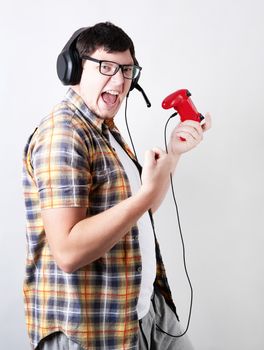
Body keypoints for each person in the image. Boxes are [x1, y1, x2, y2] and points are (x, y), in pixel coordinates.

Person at [22, 22, 211, 350]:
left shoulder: (104, 130)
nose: (120, 81)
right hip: (92, 328)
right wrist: (144, 196)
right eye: (106, 67)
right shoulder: (64, 135)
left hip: (143, 311)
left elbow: (141, 210)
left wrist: (174, 154)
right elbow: (67, 251)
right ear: (75, 68)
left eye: (127, 70)